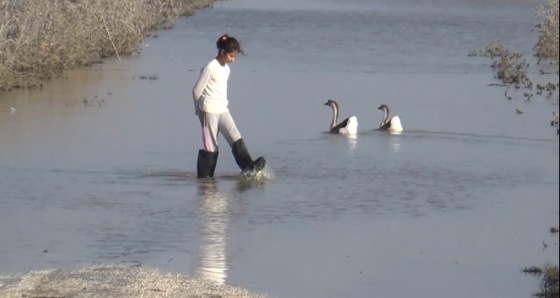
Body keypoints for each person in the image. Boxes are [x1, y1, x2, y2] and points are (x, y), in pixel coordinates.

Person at [192, 34, 265, 178]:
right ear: (222, 52)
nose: (233, 60)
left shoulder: (226, 69)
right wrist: (198, 111)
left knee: (235, 137)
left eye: (235, 57)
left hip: (223, 109)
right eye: (231, 56)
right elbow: (196, 90)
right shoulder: (210, 67)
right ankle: (205, 179)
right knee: (211, 146)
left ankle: (249, 168)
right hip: (208, 110)